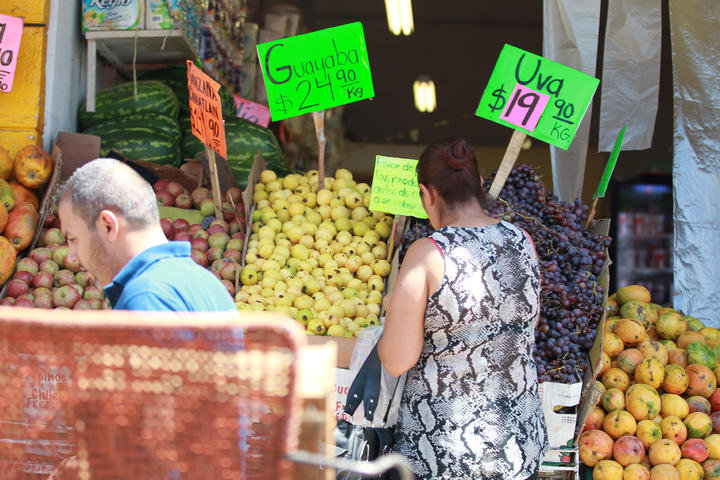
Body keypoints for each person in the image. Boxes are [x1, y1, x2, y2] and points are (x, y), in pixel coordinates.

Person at [378, 137, 548, 479]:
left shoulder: (428, 254)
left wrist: (392, 313)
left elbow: (397, 360)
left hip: (446, 451)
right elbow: (525, 327)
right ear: (480, 184)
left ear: (427, 195)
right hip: (518, 446)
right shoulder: (523, 241)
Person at [57, 158, 237, 312]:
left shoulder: (146, 299)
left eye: (73, 239)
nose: (71, 256)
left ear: (108, 226)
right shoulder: (204, 281)